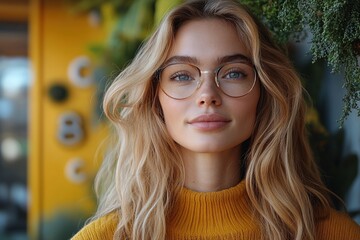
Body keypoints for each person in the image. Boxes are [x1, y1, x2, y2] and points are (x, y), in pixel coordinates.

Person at [72, 0, 360, 239]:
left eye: (233, 72)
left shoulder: (330, 233)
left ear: (265, 94)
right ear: (154, 98)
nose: (207, 94)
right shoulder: (105, 236)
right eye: (182, 75)